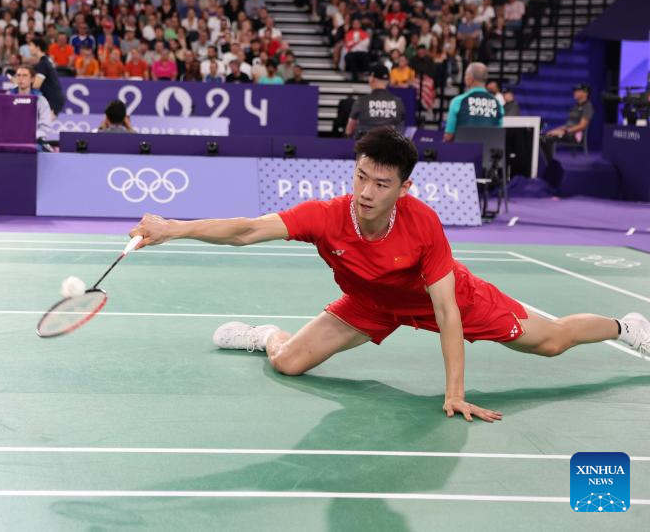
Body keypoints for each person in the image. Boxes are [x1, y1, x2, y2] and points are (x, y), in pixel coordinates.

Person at [127, 128, 650, 422]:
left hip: (438, 297)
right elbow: (245, 230)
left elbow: (446, 311)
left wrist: (454, 391)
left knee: (552, 341)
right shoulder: (326, 216)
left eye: (381, 183)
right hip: (370, 303)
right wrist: (174, 227)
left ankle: (624, 326)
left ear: (404, 187)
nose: (367, 191)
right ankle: (264, 334)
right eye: (360, 176)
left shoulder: (423, 225)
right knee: (287, 363)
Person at [443, 62, 503, 142]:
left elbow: (449, 136)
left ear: (470, 78)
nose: (464, 78)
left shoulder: (458, 101)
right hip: (487, 152)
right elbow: (498, 134)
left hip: (462, 152)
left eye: (465, 75)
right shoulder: (497, 104)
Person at [346, 65, 406, 140]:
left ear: (372, 78)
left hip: (366, 148)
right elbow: (402, 129)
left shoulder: (361, 101)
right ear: (388, 80)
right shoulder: (398, 102)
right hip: (391, 147)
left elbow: (349, 130)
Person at [541, 83, 593, 159]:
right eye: (575, 91)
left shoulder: (588, 107)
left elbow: (582, 126)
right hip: (568, 132)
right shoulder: (575, 106)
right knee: (545, 136)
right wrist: (556, 130)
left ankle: (549, 162)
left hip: (576, 135)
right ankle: (544, 161)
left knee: (548, 139)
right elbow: (568, 124)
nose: (575, 92)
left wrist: (565, 131)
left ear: (585, 93)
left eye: (578, 91)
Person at [13, 64, 55, 145]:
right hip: (10, 139)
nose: (21, 78)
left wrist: (33, 137)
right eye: (18, 75)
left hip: (33, 141)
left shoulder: (41, 100)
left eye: (25, 75)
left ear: (32, 79)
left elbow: (45, 125)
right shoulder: (7, 97)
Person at [28, 37, 65, 114]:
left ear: (37, 47)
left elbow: (36, 86)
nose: (29, 48)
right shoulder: (44, 62)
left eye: (31, 45)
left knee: (43, 124)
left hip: (52, 101)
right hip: (51, 99)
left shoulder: (43, 64)